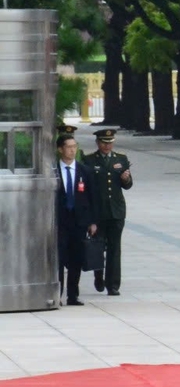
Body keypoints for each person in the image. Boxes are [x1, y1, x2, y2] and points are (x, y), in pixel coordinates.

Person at [79, 126, 133, 295]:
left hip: (116, 211)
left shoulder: (121, 159)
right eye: (104, 142)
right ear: (97, 143)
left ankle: (113, 284)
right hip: (98, 212)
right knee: (97, 246)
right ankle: (98, 275)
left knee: (115, 248)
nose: (107, 146)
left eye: (110, 142)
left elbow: (128, 185)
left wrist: (126, 179)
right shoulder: (89, 161)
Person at [54, 130, 92, 306]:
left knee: (76, 258)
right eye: (68, 147)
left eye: (74, 147)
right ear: (60, 149)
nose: (72, 150)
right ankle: (58, 293)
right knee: (59, 259)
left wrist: (93, 221)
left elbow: (93, 197)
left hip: (79, 221)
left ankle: (73, 295)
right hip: (60, 222)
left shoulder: (84, 171)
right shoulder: (53, 171)